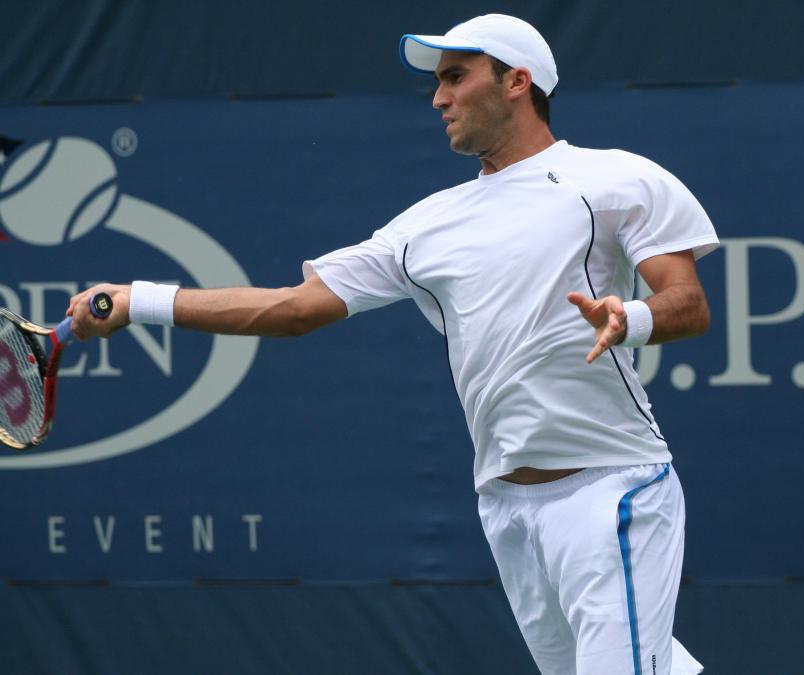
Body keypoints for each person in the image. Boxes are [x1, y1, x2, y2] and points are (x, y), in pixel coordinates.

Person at [70, 13, 716, 675]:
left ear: (517, 81)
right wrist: (136, 300)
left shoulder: (611, 181)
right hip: (508, 510)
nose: (438, 98)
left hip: (614, 491)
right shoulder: (425, 227)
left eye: (455, 78)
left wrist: (630, 318)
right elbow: (293, 309)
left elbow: (687, 303)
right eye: (438, 83)